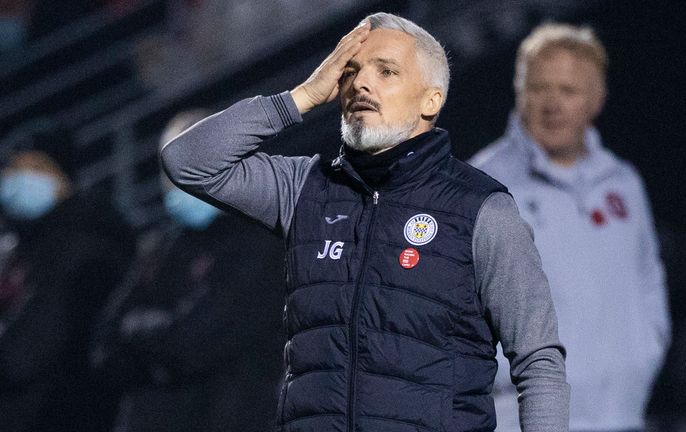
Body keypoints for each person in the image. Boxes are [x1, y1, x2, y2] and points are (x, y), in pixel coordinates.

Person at [161, 12, 568, 432]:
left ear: (431, 100)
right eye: (349, 71)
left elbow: (538, 359)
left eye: (386, 71)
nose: (360, 83)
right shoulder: (305, 188)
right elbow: (187, 162)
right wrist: (298, 97)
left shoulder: (481, 209)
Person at [469, 23, 671, 432]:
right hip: (523, 420)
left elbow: (649, 279)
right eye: (539, 88)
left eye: (568, 90)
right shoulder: (482, 184)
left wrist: (642, 356)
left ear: (596, 100)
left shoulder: (622, 182)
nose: (552, 104)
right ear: (519, 92)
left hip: (621, 414)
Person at [90, 110, 287, 432]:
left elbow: (196, 342)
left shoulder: (263, 238)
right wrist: (162, 341)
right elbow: (104, 347)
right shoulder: (161, 247)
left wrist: (141, 338)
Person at [0, 133, 136, 432]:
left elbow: (30, 346)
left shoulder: (83, 240)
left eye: (36, 169)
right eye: (13, 168)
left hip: (63, 411)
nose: (16, 178)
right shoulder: (30, 242)